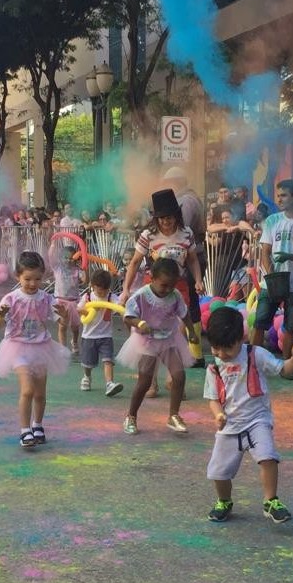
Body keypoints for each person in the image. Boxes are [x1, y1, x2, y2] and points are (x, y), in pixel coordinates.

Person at [204, 306, 293, 524]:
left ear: (241, 339)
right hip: (229, 426)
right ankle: (224, 501)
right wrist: (218, 414)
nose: (222, 355)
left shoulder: (256, 354)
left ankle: (271, 501)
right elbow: (212, 398)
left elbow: (283, 370)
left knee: (268, 457)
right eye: (216, 349)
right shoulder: (214, 366)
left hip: (257, 420)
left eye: (227, 350)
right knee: (218, 473)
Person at [121, 189, 205, 394]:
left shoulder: (186, 234)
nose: (166, 222)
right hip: (154, 289)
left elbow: (193, 259)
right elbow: (134, 263)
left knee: (177, 330)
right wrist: (125, 290)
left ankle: (173, 378)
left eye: (169, 217)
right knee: (152, 334)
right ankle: (152, 382)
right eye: (161, 218)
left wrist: (198, 280)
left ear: (177, 215)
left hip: (179, 286)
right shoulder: (148, 235)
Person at [0, 251, 70, 447]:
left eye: (37, 279)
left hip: (42, 347)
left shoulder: (47, 299)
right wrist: (1, 315)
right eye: (27, 279)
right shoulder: (11, 298)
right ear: (18, 276)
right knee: (27, 390)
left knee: (40, 394)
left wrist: (64, 315)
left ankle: (38, 425)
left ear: (43, 276)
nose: (32, 283)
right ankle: (25, 430)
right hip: (17, 348)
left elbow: (61, 321)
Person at [117, 257, 199, 435]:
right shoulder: (140, 296)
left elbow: (184, 314)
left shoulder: (175, 296)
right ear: (152, 278)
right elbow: (127, 316)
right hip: (146, 341)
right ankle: (131, 416)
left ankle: (174, 415)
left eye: (172, 285)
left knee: (179, 375)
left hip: (168, 338)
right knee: (145, 380)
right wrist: (139, 323)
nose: (168, 289)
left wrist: (192, 332)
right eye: (164, 285)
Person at [250, 179, 293, 378]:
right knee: (260, 322)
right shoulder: (272, 221)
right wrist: (271, 274)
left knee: (290, 325)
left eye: (283, 195)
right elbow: (265, 252)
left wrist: (290, 257)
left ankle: (286, 368)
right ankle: (253, 364)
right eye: (278, 195)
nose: (279, 199)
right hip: (270, 282)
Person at [162, 167, 207, 365]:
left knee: (188, 304)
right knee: (189, 303)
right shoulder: (188, 198)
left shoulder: (186, 201)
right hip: (188, 256)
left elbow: (180, 229)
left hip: (189, 257)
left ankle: (194, 353)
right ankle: (192, 351)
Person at [77, 269, 123, 397]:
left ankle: (109, 383)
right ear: (92, 286)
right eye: (99, 289)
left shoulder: (110, 297)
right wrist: (91, 309)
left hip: (105, 335)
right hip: (89, 336)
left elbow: (119, 305)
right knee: (88, 363)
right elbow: (79, 310)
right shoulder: (87, 296)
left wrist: (123, 303)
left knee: (108, 360)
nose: (102, 292)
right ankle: (87, 376)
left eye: (105, 289)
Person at [49, 243, 85, 354]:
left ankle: (74, 342)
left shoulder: (77, 270)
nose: (68, 260)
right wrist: (53, 245)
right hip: (60, 301)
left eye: (71, 258)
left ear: (75, 258)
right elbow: (50, 257)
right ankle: (62, 347)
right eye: (65, 258)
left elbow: (84, 280)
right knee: (62, 326)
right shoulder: (57, 269)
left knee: (75, 327)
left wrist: (85, 266)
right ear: (60, 258)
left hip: (73, 301)